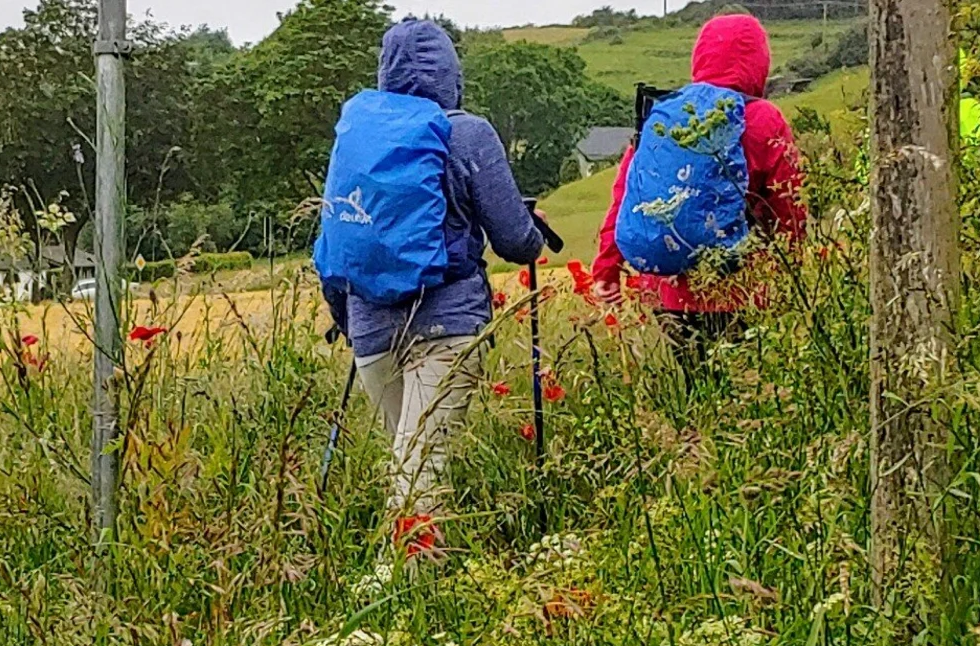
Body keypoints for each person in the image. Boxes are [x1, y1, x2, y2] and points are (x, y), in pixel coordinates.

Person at [319, 19, 546, 555]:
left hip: (370, 327)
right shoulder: (467, 132)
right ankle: (397, 592)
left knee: (408, 462)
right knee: (421, 468)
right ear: (452, 74)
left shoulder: (358, 134)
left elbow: (336, 237)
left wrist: (345, 318)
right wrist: (536, 235)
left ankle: (422, 582)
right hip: (446, 324)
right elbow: (516, 242)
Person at [590, 14, 806, 373]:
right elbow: (790, 206)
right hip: (742, 290)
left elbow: (627, 197)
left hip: (670, 294)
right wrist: (795, 274)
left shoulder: (664, 115)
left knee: (697, 388)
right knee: (745, 396)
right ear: (760, 62)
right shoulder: (763, 118)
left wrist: (606, 270)